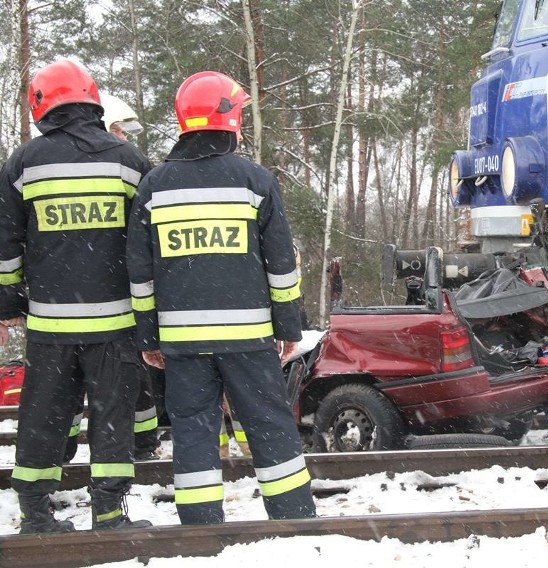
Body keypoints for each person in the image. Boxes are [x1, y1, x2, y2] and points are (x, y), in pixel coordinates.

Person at [126, 70, 316, 524]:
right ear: (228, 119)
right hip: (249, 338)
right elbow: (281, 267)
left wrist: (148, 336)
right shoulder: (254, 181)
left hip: (183, 342)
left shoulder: (155, 187)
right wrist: (289, 327)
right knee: (269, 423)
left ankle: (200, 525)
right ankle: (294, 518)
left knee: (193, 428)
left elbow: (140, 273)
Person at [0, 59, 153, 533]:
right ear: (93, 99)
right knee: (112, 418)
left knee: (43, 416)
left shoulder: (23, 164)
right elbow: (148, 244)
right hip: (116, 324)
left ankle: (35, 514)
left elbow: (6, 245)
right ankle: (108, 513)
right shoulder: (128, 161)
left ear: (41, 107)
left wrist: (9, 305)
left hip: (49, 326)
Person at [63, 93, 163, 464]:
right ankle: (134, 446)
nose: (125, 139)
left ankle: (137, 444)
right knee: (125, 382)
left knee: (124, 384)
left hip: (99, 303)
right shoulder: (124, 167)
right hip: (117, 305)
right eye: (121, 131)